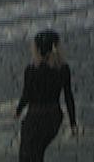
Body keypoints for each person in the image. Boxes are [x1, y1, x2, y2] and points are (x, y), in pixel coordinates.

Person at [16, 28, 79, 160]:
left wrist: (18, 110)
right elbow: (68, 96)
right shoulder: (63, 69)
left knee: (28, 155)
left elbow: (26, 95)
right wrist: (73, 122)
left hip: (35, 118)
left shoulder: (32, 71)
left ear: (37, 50)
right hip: (53, 118)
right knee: (38, 151)